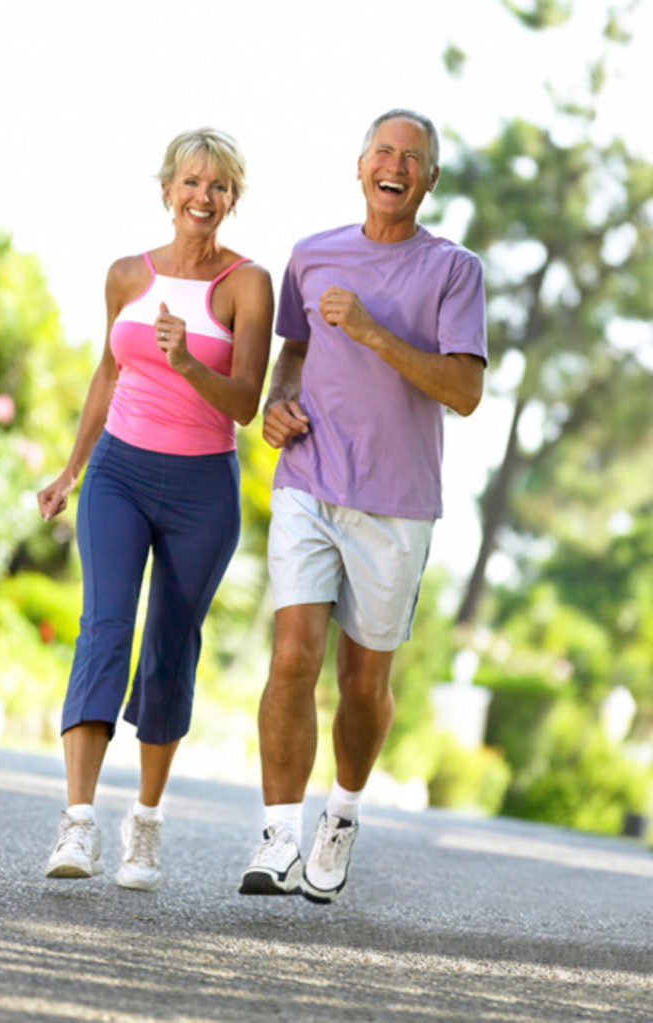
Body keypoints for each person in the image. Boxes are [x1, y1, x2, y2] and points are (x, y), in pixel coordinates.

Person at [238, 109, 487, 904]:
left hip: (397, 502)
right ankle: (278, 834)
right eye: (383, 150)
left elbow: (467, 391)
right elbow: (296, 352)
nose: (396, 164)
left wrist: (377, 334)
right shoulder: (311, 256)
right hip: (309, 479)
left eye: (413, 157)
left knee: (364, 680)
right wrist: (278, 402)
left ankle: (340, 814)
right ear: (359, 166)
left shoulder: (455, 270)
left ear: (430, 180)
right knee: (292, 654)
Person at [39, 128, 273, 890]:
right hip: (118, 474)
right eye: (191, 182)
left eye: (219, 187)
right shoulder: (124, 275)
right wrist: (72, 470)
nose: (203, 197)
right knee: (105, 627)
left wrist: (183, 361)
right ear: (167, 188)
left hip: (202, 489)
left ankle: (144, 823)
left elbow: (245, 404)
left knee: (170, 647)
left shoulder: (247, 285)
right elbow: (106, 374)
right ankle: (78, 824)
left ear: (233, 199)